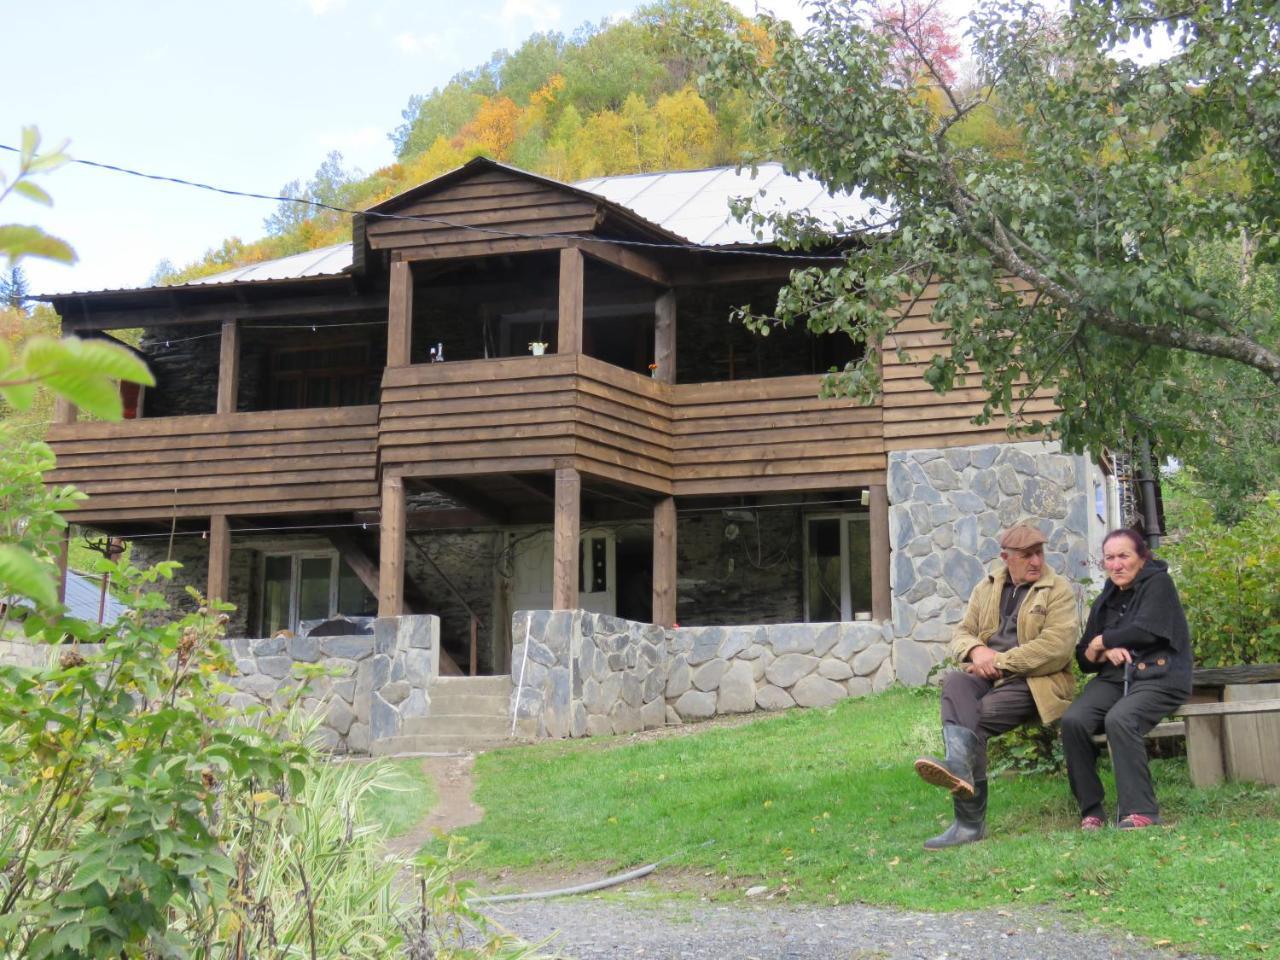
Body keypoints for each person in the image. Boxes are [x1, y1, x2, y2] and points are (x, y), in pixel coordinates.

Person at [914, 523, 1079, 850]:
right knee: (955, 682)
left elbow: (1055, 648)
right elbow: (962, 633)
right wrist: (976, 651)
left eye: (1039, 553)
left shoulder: (1057, 589)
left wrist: (998, 661)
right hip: (987, 677)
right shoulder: (986, 587)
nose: (1036, 561)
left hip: (1035, 682)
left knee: (975, 718)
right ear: (1006, 557)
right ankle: (960, 773)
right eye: (1026, 555)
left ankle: (968, 823)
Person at [1060, 529, 1192, 830]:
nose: (1116, 564)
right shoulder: (1108, 596)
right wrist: (1103, 650)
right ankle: (1091, 810)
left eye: (1124, 556)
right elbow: (1084, 658)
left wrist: (1103, 639)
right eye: (1110, 558)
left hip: (1160, 677)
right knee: (1073, 721)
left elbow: (1147, 632)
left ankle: (1141, 811)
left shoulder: (1158, 584)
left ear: (1142, 558)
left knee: (1121, 719)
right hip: (1114, 679)